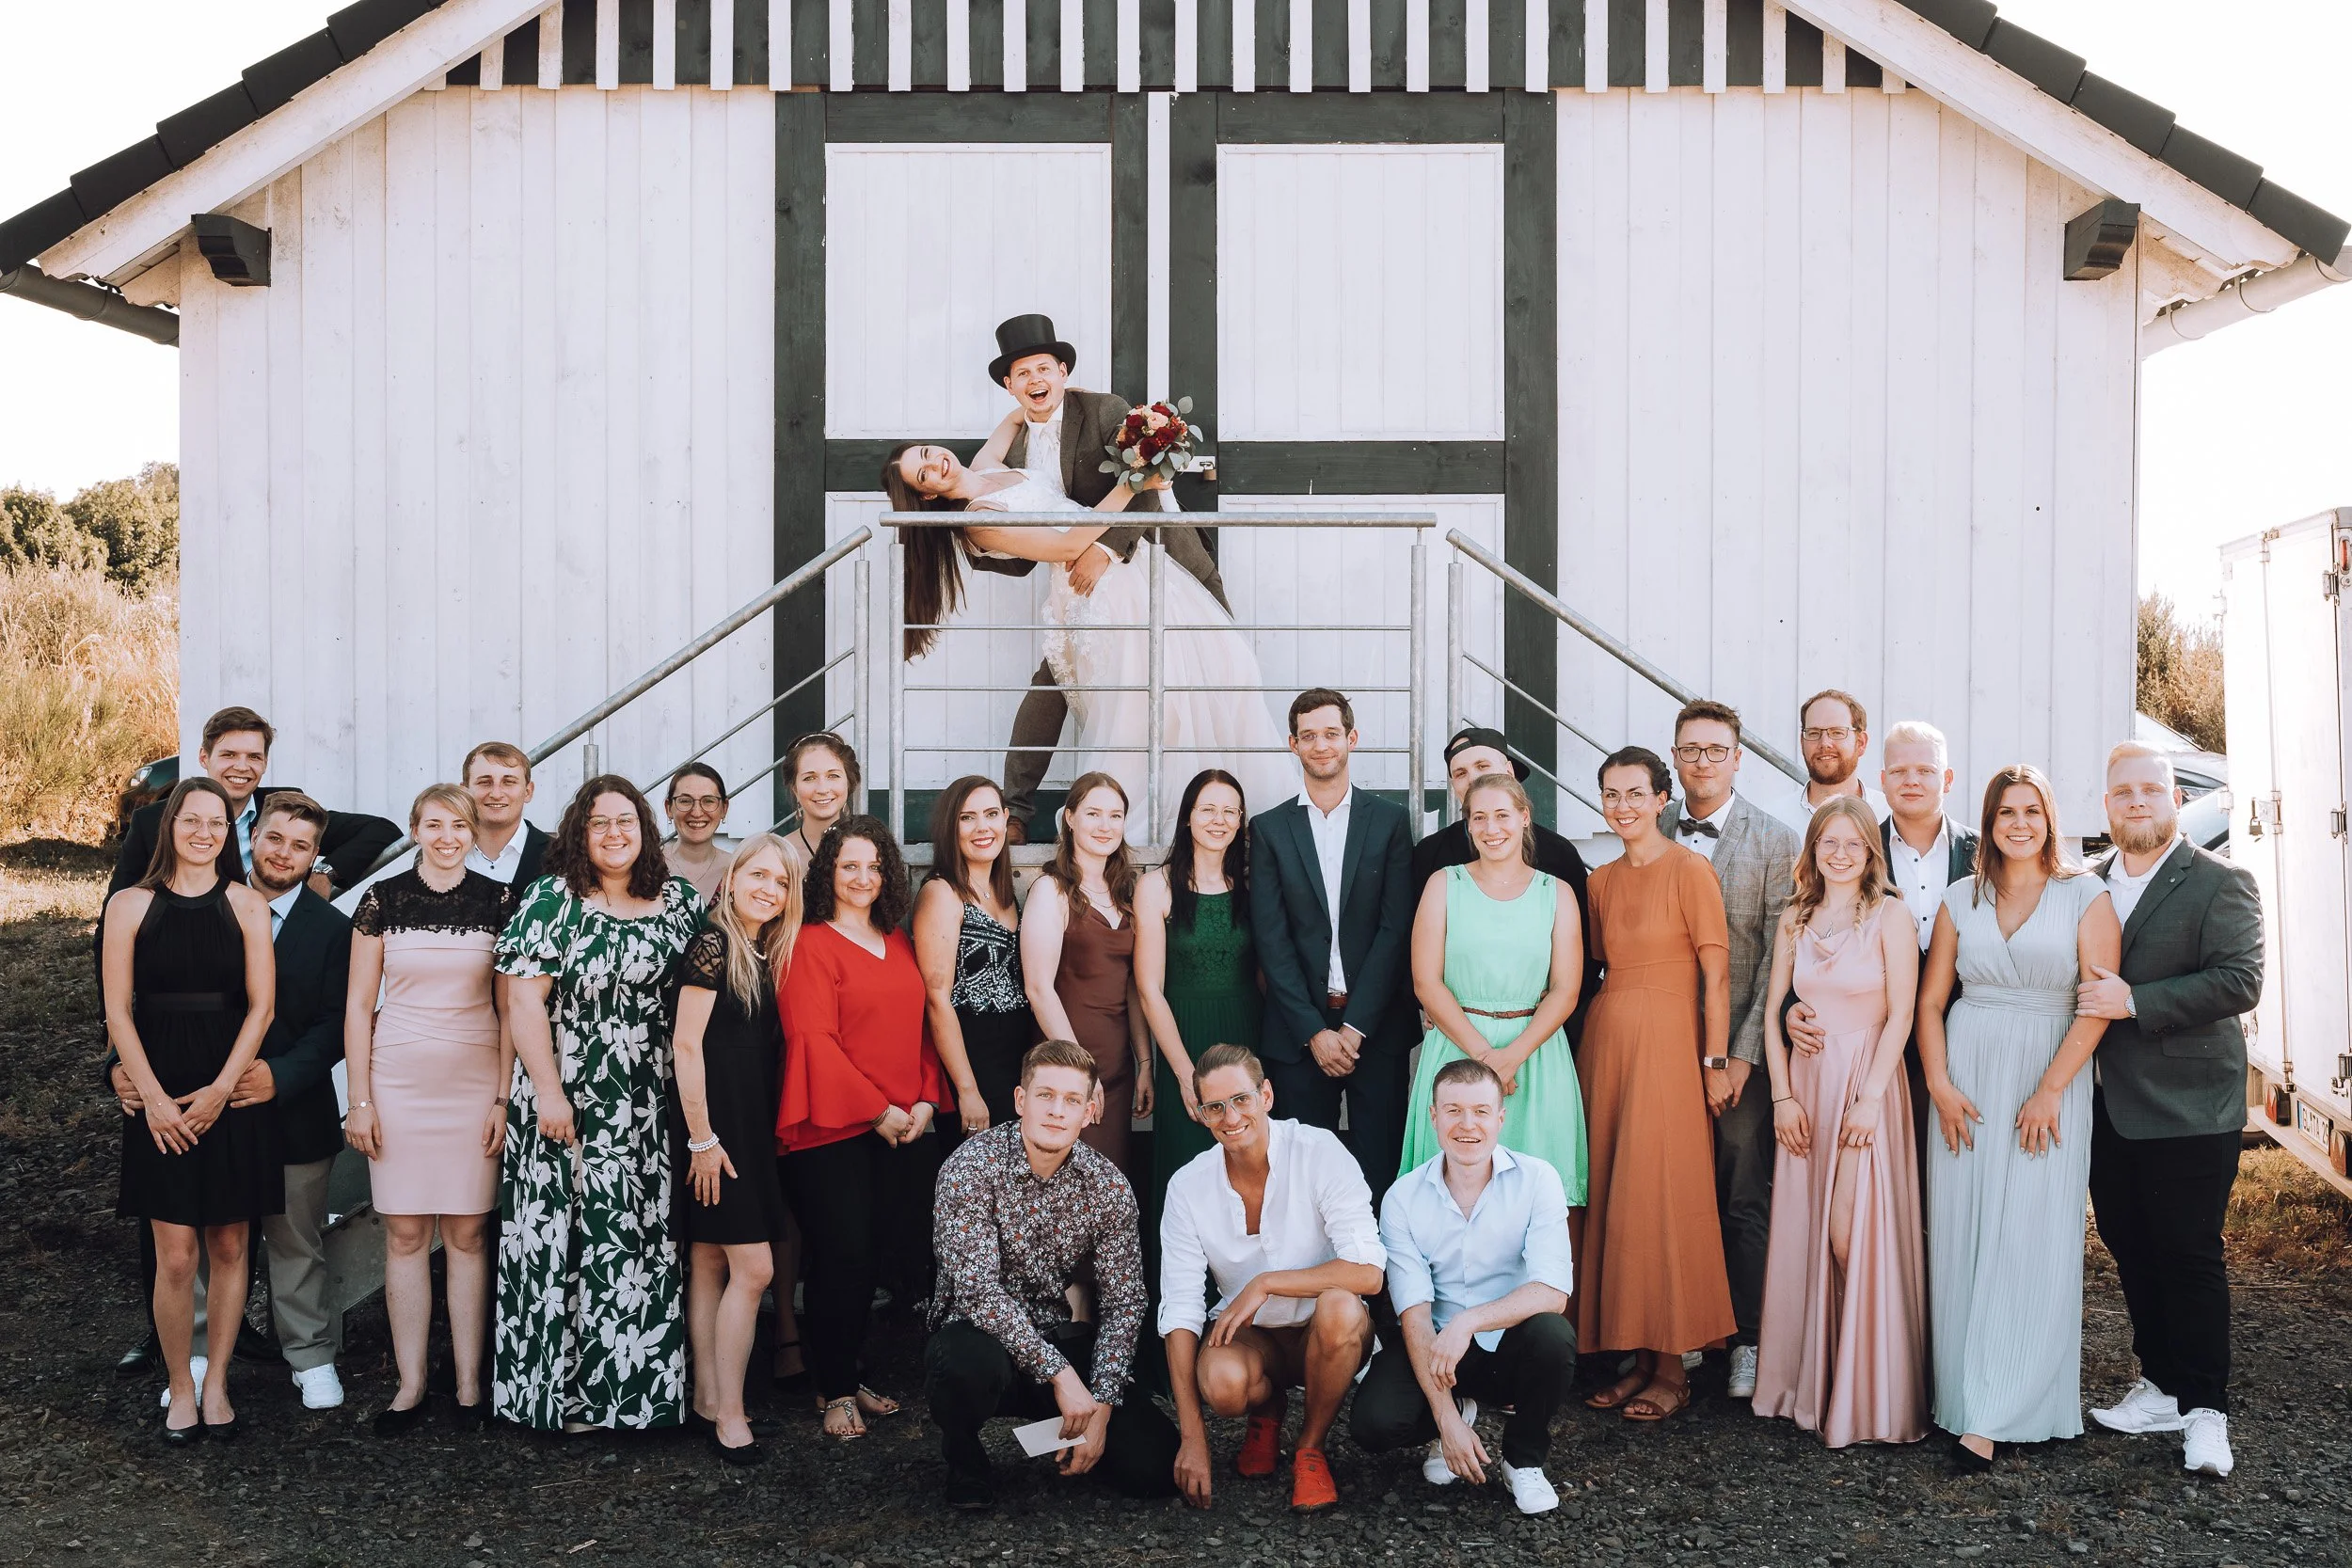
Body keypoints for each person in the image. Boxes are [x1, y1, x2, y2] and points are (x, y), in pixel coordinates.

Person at [889, 443, 1295, 842]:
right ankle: (1137, 822)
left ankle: (1229, 808)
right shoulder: (978, 522)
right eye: (923, 473)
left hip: (1137, 566)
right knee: (1137, 701)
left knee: (1220, 667)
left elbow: (1014, 420)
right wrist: (1133, 483)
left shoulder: (988, 466)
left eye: (927, 452)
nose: (935, 463)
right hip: (1096, 591)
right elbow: (1067, 546)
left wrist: (1053, 389)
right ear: (926, 494)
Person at [951, 313, 1239, 841]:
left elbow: (1146, 482)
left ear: (1063, 371)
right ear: (1008, 385)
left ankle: (1200, 809)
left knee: (1180, 680)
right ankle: (1016, 812)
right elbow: (1022, 547)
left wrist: (1104, 550)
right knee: (1054, 679)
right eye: (1022, 373)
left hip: (1146, 558)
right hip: (1073, 584)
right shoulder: (1011, 446)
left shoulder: (1103, 409)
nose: (1035, 380)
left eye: (1044, 367)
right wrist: (976, 542)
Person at [110, 793, 352, 1415]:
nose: (284, 852)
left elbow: (326, 1022)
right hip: (176, 1094)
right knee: (183, 1248)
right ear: (254, 838)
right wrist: (124, 1072)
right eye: (273, 839)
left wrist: (262, 1077)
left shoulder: (328, 926)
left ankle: (302, 1355)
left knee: (276, 1240)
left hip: (272, 1101)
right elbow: (127, 1006)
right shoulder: (154, 903)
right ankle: (189, 1365)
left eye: (300, 845)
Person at [1916, 764, 2121, 1470]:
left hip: (2048, 1080)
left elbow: (2096, 1004)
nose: (2019, 822)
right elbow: (1930, 1001)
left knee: (2030, 1233)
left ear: (2049, 818)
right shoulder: (1958, 897)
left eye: (2032, 810)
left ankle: (2009, 1406)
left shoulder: (2084, 895)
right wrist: (1939, 1083)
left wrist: (2050, 1089)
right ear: (1990, 820)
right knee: (1966, 1229)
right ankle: (1963, 1398)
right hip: (1968, 1079)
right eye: (2006, 811)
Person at [494, 775, 703, 1433]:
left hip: (651, 1097)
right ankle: (565, 1397)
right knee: (569, 1238)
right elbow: (522, 1000)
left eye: (627, 821)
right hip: (571, 1095)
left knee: (639, 1239)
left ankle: (635, 1396)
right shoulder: (551, 899)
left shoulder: (679, 903)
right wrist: (549, 1090)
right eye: (599, 823)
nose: (615, 833)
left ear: (646, 830)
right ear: (579, 833)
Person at [2079, 742, 2264, 1480]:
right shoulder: (2087, 884)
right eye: (2122, 791)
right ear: (2106, 804)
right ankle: (2159, 1383)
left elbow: (2241, 979)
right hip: (2108, 1103)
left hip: (2191, 1104)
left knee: (2189, 1254)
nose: (2136, 801)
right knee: (2130, 1244)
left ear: (2174, 799)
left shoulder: (2220, 881)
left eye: (2150, 789)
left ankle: (2207, 1410)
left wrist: (2139, 1002)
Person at [925, 1038, 1182, 1511]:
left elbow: (1126, 1300)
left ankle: (1066, 1436)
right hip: (979, 1338)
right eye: (1045, 1095)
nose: (1057, 1111)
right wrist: (1061, 1376)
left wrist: (1100, 1406)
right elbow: (979, 1291)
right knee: (962, 1365)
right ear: (1021, 1100)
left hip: (1054, 1334)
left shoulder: (1106, 1185)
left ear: (1088, 1112)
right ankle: (964, 1457)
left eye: (1072, 1100)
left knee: (1156, 1467)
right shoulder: (971, 1167)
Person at [103, 776, 281, 1442]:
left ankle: (218, 1383)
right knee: (175, 1254)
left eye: (217, 822)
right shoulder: (129, 904)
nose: (204, 832)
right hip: (159, 1087)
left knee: (232, 1241)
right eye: (191, 820)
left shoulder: (247, 904)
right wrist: (151, 1098)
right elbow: (118, 1008)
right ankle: (179, 1384)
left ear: (229, 832)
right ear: (169, 826)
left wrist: (220, 1089)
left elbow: (262, 1006)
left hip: (226, 1088)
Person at [1752, 797, 1928, 1448]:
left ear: (1870, 852)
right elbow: (1775, 1012)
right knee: (1804, 1232)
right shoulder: (1795, 918)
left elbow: (1903, 1014)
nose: (1842, 851)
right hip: (1806, 1087)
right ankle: (1809, 1386)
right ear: (1814, 847)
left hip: (1866, 1085)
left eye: (1855, 842)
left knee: (1851, 1232)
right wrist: (1782, 1096)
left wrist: (1871, 1097)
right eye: (1830, 840)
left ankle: (1871, 1395)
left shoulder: (1890, 915)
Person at [345, 784, 517, 1435]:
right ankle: (411, 1382)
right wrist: (359, 1099)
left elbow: (509, 1009)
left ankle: (471, 1382)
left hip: (475, 1082)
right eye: (434, 823)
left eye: (460, 825)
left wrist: (503, 1096)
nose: (447, 836)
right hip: (397, 1081)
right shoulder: (380, 900)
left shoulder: (501, 900)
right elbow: (360, 1006)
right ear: (416, 828)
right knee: (407, 1234)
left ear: (475, 831)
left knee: (469, 1234)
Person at [1578, 747, 1738, 1421]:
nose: (1622, 806)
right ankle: (1637, 1356)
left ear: (1662, 796)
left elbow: (1717, 975)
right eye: (1611, 794)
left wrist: (1715, 1060)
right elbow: (1598, 967)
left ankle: (1673, 1363)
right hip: (1609, 1042)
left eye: (1635, 793)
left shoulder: (1690, 870)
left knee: (1665, 1194)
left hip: (1672, 1044)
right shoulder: (1600, 881)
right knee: (1618, 1194)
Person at [1159, 1044, 1381, 1513]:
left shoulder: (1318, 1151)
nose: (1230, 1116)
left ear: (1267, 1095)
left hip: (1324, 1331)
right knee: (1221, 1383)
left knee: (1341, 1306)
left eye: (1241, 1099)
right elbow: (1179, 1307)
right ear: (1201, 1114)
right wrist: (1192, 1438)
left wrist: (1266, 1283)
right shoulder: (1187, 1185)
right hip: (1255, 1339)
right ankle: (1267, 1411)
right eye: (1215, 1107)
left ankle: (1311, 1447)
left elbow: (1368, 1272)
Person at [1350, 1057, 1577, 1516]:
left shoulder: (1538, 1180)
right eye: (1453, 1110)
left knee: (1554, 1337)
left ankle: (1523, 1459)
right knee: (1372, 1426)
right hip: (1438, 1349)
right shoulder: (1403, 1197)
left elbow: (1553, 1290)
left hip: (1510, 1340)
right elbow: (1413, 1312)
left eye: (1480, 1111)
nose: (1467, 1125)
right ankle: (1454, 1418)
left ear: (1500, 1117)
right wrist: (1445, 1420)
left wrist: (1470, 1321)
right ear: (1433, 1117)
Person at [777, 816, 944, 1441]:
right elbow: (812, 1040)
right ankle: (834, 1388)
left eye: (874, 866)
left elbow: (920, 1026)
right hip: (833, 1129)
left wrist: (927, 1099)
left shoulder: (895, 938)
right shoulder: (810, 942)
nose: (863, 877)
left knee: (873, 1256)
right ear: (828, 871)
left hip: (900, 1127)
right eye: (849, 865)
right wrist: (877, 1109)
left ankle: (850, 1370)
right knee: (839, 1255)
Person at [1656, 698, 1800, 1401]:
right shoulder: (1646, 826)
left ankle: (1746, 1336)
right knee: (1672, 1186)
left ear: (1739, 758)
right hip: (1661, 1044)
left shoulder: (1775, 840)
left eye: (1717, 750)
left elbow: (1778, 955)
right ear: (1675, 757)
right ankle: (1678, 1329)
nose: (1703, 761)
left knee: (1744, 1188)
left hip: (1742, 1044)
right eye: (1690, 750)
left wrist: (1741, 1054)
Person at [1791, 720, 1981, 1187]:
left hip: (1962, 1041)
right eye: (1899, 771)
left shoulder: (1983, 853)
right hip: (1868, 1051)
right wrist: (1789, 1011)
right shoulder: (1853, 847)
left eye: (1924, 770)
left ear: (1948, 779)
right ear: (1882, 779)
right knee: (1880, 1180)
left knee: (1954, 1173)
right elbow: (1810, 936)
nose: (1911, 781)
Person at [1248, 690, 1418, 1195]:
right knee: (1301, 1175)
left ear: (1352, 739)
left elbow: (1395, 930)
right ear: (1293, 744)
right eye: (1309, 736)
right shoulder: (1270, 828)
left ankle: (1377, 1274)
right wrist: (1314, 1032)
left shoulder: (1388, 821)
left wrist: (1356, 1027)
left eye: (1331, 734)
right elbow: (1271, 939)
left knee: (1380, 1164)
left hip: (1375, 1028)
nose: (1321, 746)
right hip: (1298, 1033)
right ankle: (1310, 1274)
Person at [674, 833, 802, 1465]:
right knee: (754, 1268)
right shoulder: (713, 943)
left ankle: (706, 1396)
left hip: (745, 1130)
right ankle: (730, 1413)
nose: (768, 888)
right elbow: (686, 1045)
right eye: (757, 874)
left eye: (780, 881)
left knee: (709, 1262)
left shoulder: (756, 946)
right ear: (732, 876)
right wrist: (702, 1137)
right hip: (716, 1134)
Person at [1400, 772, 1586, 1190]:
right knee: (1447, 1189)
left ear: (1524, 818)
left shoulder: (1556, 892)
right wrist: (1487, 1059)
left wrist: (1511, 1057)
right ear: (1468, 825)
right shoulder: (1444, 884)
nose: (1491, 828)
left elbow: (1566, 989)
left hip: (1534, 1053)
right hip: (1458, 1046)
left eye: (1502, 815)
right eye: (1479, 817)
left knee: (1539, 1191)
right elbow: (1426, 983)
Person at [106, 706, 401, 911]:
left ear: (265, 763)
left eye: (253, 757)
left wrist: (325, 873)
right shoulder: (152, 821)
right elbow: (114, 916)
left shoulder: (283, 809)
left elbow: (381, 831)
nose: (242, 767)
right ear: (203, 757)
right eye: (229, 755)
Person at [1409, 726, 1599, 1044]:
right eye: (1460, 773)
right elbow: (1413, 942)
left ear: (1509, 770)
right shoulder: (1431, 856)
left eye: (1482, 766)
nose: (1472, 778)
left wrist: (1555, 1019)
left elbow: (1585, 952)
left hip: (1538, 1030)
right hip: (1455, 1030)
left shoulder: (1558, 854)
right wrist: (1426, 1003)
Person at [1136, 768, 1261, 1225]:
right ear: (1188, 817)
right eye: (1208, 809)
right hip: (1183, 1042)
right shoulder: (1157, 886)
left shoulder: (1250, 885)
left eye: (1230, 811)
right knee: (1186, 1167)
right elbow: (1149, 989)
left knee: (1245, 1165)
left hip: (1246, 1036)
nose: (1219, 820)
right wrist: (1185, 1074)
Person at [1021, 772, 1152, 1176]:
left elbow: (1132, 986)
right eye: (1093, 813)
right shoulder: (1052, 890)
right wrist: (1080, 1072)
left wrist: (1144, 1061)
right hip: (1065, 1065)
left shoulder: (1126, 892)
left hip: (1117, 1064)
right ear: (1070, 819)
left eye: (1115, 816)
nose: (1105, 825)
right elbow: (1039, 988)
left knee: (1109, 1182)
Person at [914, 775, 1033, 1134]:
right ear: (951, 827)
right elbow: (936, 999)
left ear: (1005, 818)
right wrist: (967, 1090)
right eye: (967, 818)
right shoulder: (942, 893)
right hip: (972, 1058)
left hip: (1016, 1058)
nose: (982, 827)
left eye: (991, 814)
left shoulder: (1006, 892)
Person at [334, 739, 551, 902]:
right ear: (464, 790)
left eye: (508, 782)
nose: (496, 793)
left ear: (528, 791)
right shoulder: (439, 850)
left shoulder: (558, 854)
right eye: (485, 782)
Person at [1761, 689, 1891, 833]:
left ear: (1861, 742)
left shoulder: (1890, 816)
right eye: (1814, 733)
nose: (1824, 743)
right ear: (1802, 742)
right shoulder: (1773, 820)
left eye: (1837, 732)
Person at [777, 732, 861, 877]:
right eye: (809, 778)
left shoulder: (868, 850)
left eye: (833, 776)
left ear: (849, 782)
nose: (822, 789)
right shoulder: (778, 855)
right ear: (794, 788)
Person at [663, 763, 738, 905]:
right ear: (668, 808)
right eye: (685, 801)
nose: (697, 812)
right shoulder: (647, 868)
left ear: (724, 809)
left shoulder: (738, 870)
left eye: (708, 801)